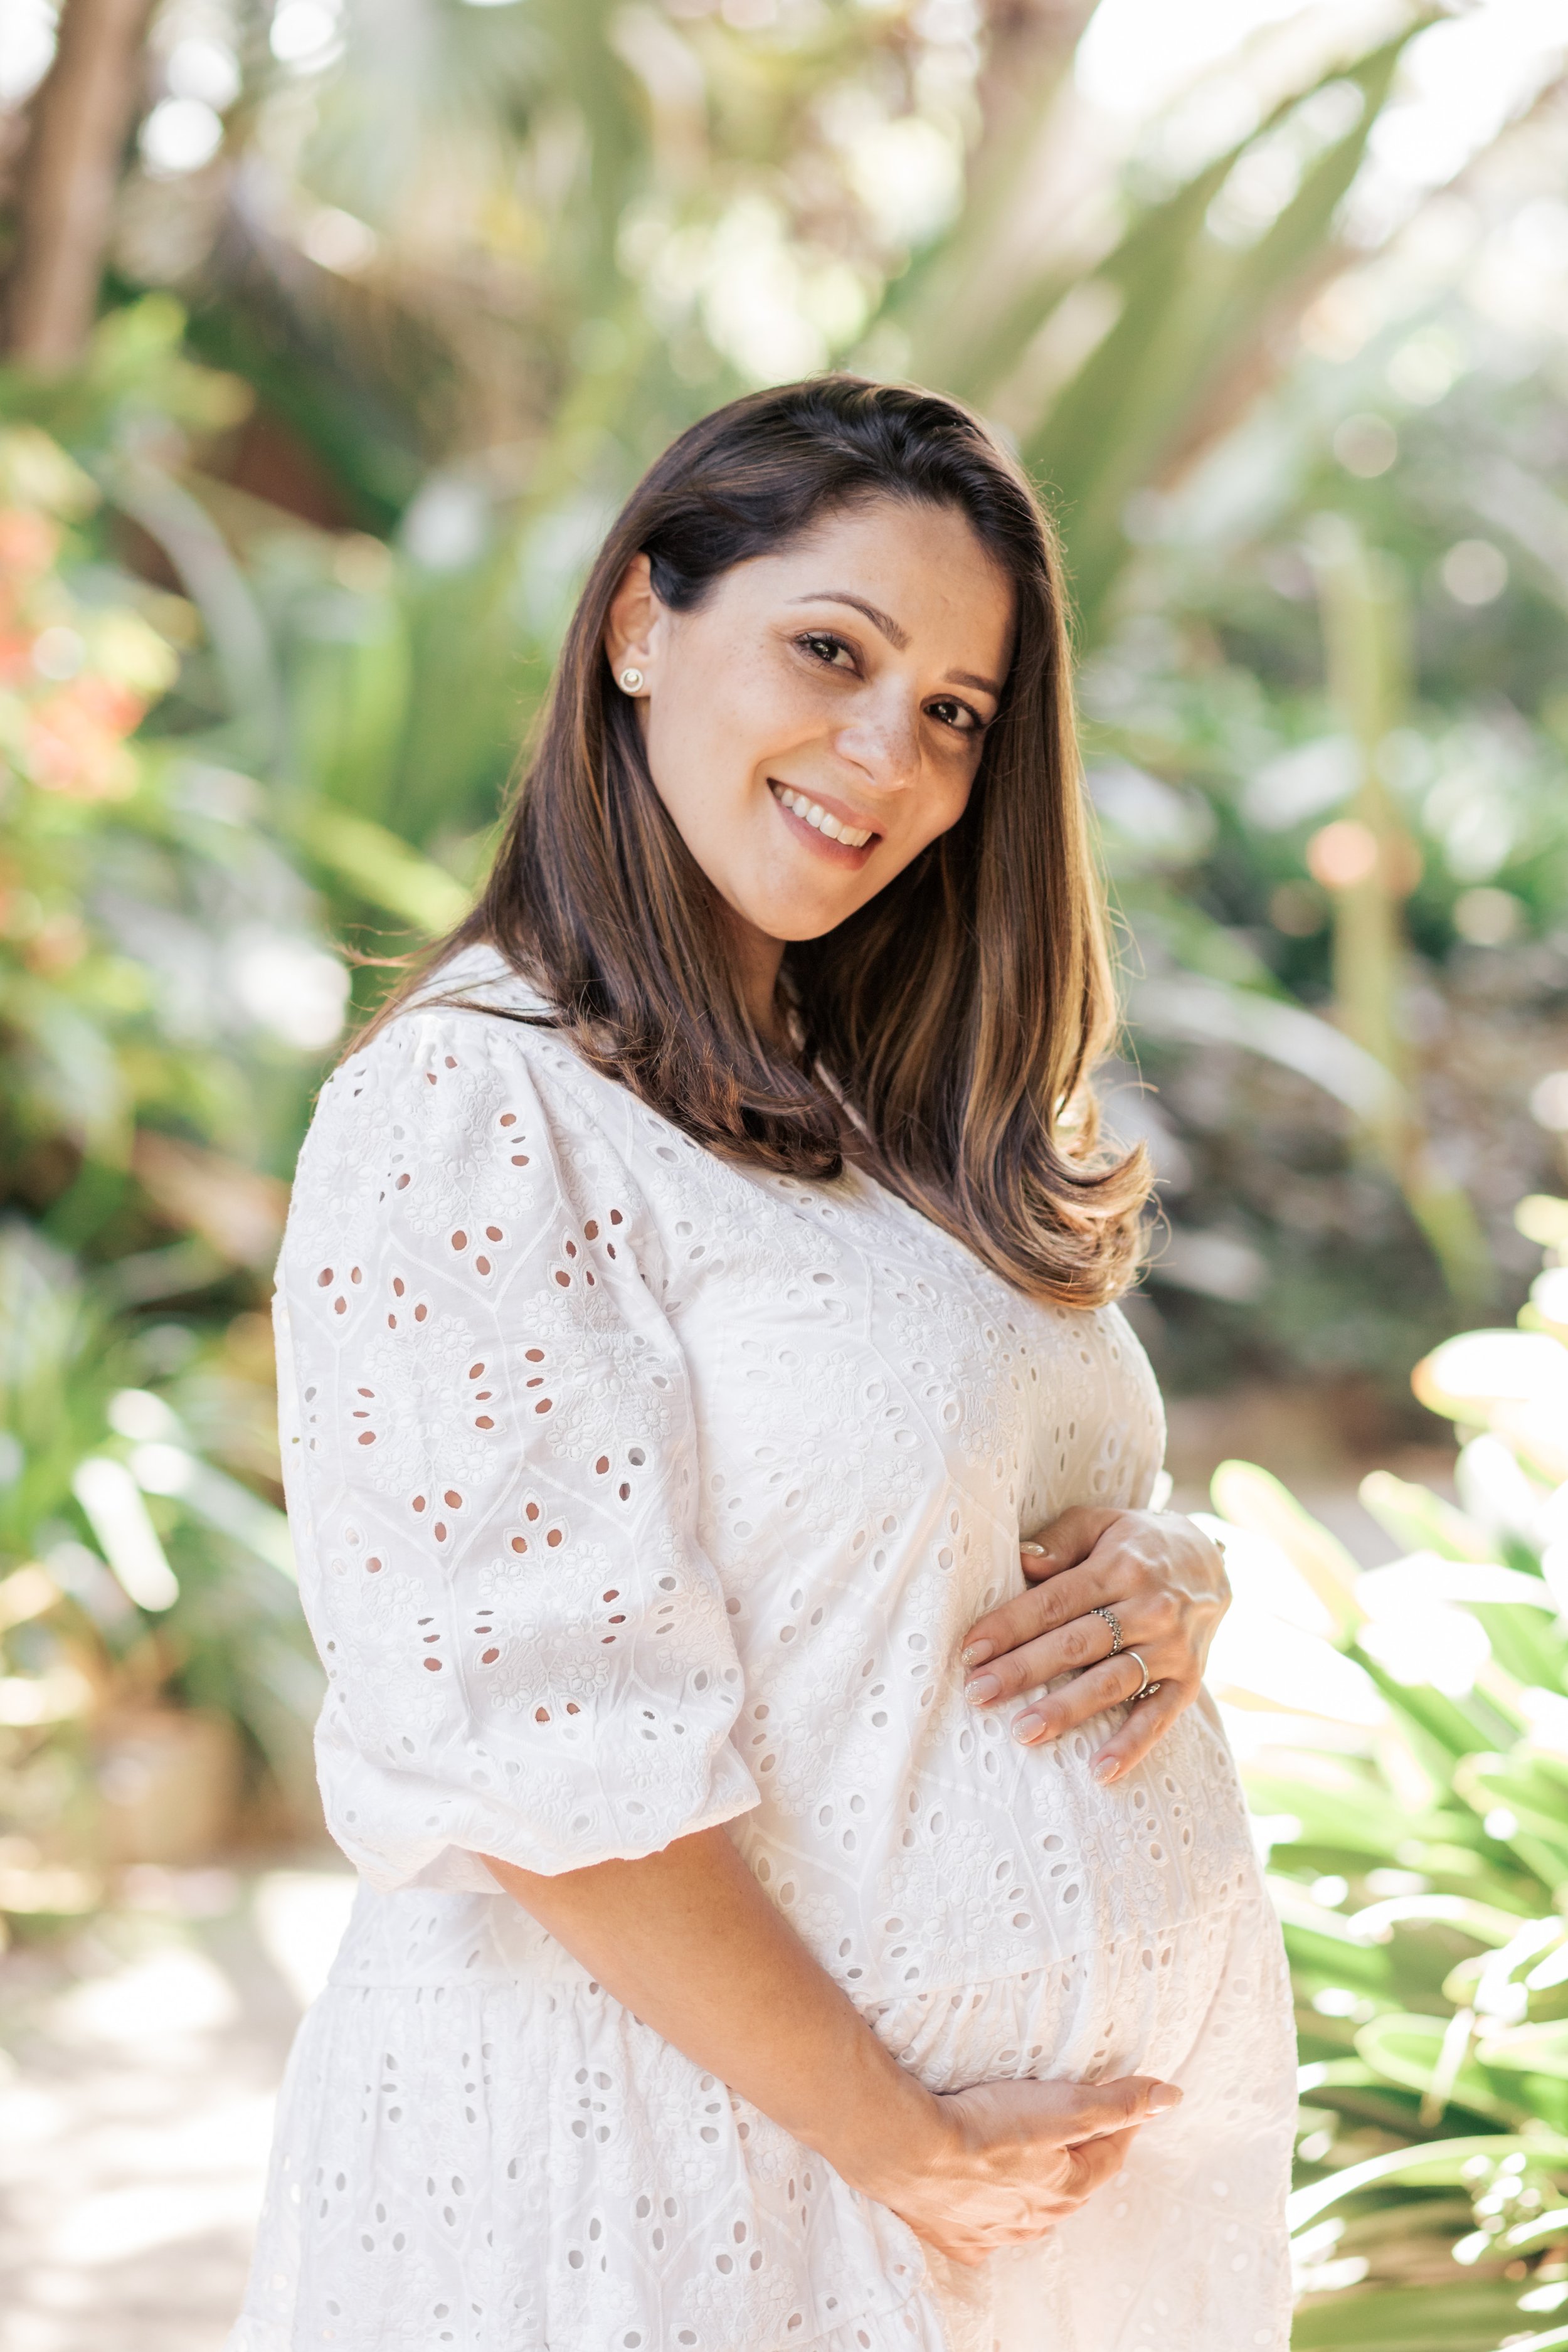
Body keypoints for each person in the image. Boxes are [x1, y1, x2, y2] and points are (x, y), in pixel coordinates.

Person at [229, 378, 1295, 2352]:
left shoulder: (857, 1105)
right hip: (688, 2187)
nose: (886, 754)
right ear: (640, 625)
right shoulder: (480, 1109)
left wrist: (1164, 1576)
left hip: (969, 2215)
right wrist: (908, 2148)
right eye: (831, 650)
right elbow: (540, 1760)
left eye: (956, 715)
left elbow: (934, 1521)